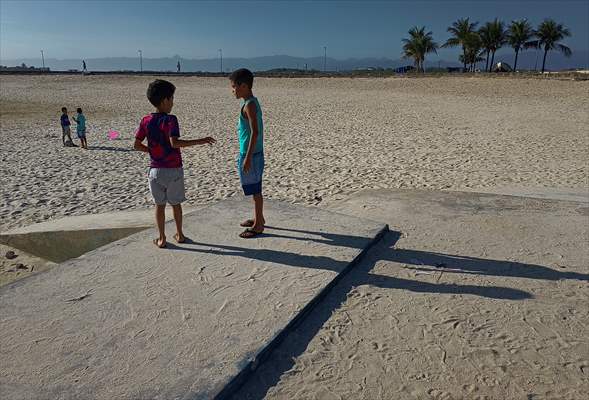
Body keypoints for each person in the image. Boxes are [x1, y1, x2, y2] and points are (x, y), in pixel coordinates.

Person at [134, 79, 215, 248]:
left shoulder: (145, 120)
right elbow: (174, 143)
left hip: (155, 171)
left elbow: (136, 145)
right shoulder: (170, 119)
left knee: (159, 205)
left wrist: (152, 151)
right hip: (173, 169)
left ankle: (162, 238)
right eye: (171, 99)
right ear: (165, 100)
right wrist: (200, 141)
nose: (173, 102)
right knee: (176, 204)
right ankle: (179, 234)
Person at [230, 68, 266, 238]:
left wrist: (248, 157)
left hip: (252, 154)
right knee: (254, 189)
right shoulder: (250, 102)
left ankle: (258, 225)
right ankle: (259, 218)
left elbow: (255, 132)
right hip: (255, 153)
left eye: (234, 86)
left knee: (255, 190)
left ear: (243, 86)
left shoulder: (250, 105)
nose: (232, 90)